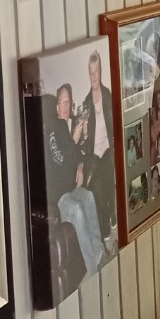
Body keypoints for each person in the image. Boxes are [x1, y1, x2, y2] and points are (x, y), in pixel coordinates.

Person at [45, 83, 104, 274]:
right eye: (61, 102)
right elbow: (61, 161)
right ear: (56, 107)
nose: (65, 106)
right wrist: (74, 140)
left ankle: (101, 254)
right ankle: (94, 269)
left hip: (70, 189)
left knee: (88, 196)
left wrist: (80, 166)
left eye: (67, 102)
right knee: (77, 210)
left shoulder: (65, 126)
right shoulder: (52, 130)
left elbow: (76, 155)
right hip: (58, 198)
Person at [78, 50, 117, 255]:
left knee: (110, 192)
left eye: (97, 71)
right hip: (94, 155)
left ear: (101, 71)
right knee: (99, 196)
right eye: (91, 72)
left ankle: (111, 213)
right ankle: (105, 234)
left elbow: (114, 123)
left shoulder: (108, 95)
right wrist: (84, 132)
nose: (94, 76)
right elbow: (84, 141)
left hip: (108, 150)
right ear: (88, 74)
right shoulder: (86, 102)